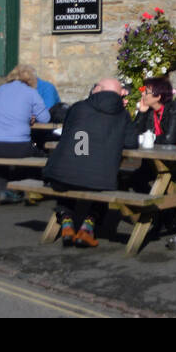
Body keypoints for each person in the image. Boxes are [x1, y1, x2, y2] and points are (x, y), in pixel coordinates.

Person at [42, 77, 138, 247]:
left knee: (70, 172)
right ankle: (87, 228)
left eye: (95, 87)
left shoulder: (78, 107)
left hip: (61, 174)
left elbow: (67, 134)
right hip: (100, 178)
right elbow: (131, 143)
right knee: (99, 180)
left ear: (98, 89)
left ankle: (66, 223)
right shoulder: (122, 114)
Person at [0, 64, 50, 205]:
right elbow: (45, 118)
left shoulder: (1, 90)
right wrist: (32, 117)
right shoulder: (31, 93)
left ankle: (3, 190)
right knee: (41, 155)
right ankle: (32, 189)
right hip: (18, 146)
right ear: (31, 79)